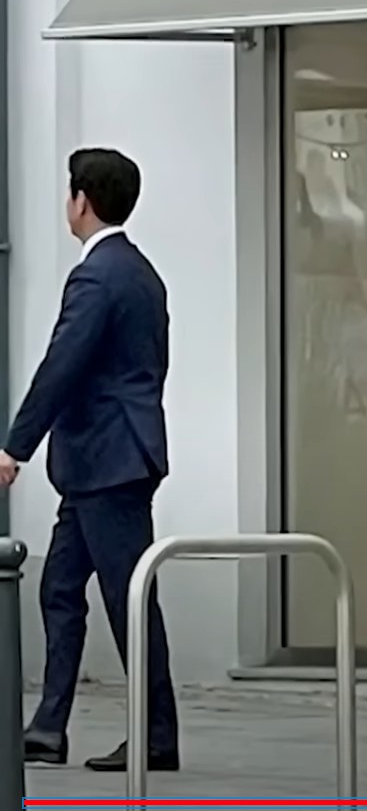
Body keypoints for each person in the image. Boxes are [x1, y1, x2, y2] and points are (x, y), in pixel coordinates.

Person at [2, 149, 179, 771]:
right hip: (103, 461)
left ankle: (157, 736)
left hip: (110, 462)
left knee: (129, 600)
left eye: (70, 193)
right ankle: (49, 727)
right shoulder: (140, 273)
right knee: (59, 587)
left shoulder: (98, 276)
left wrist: (15, 446)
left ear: (82, 201)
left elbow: (63, 365)